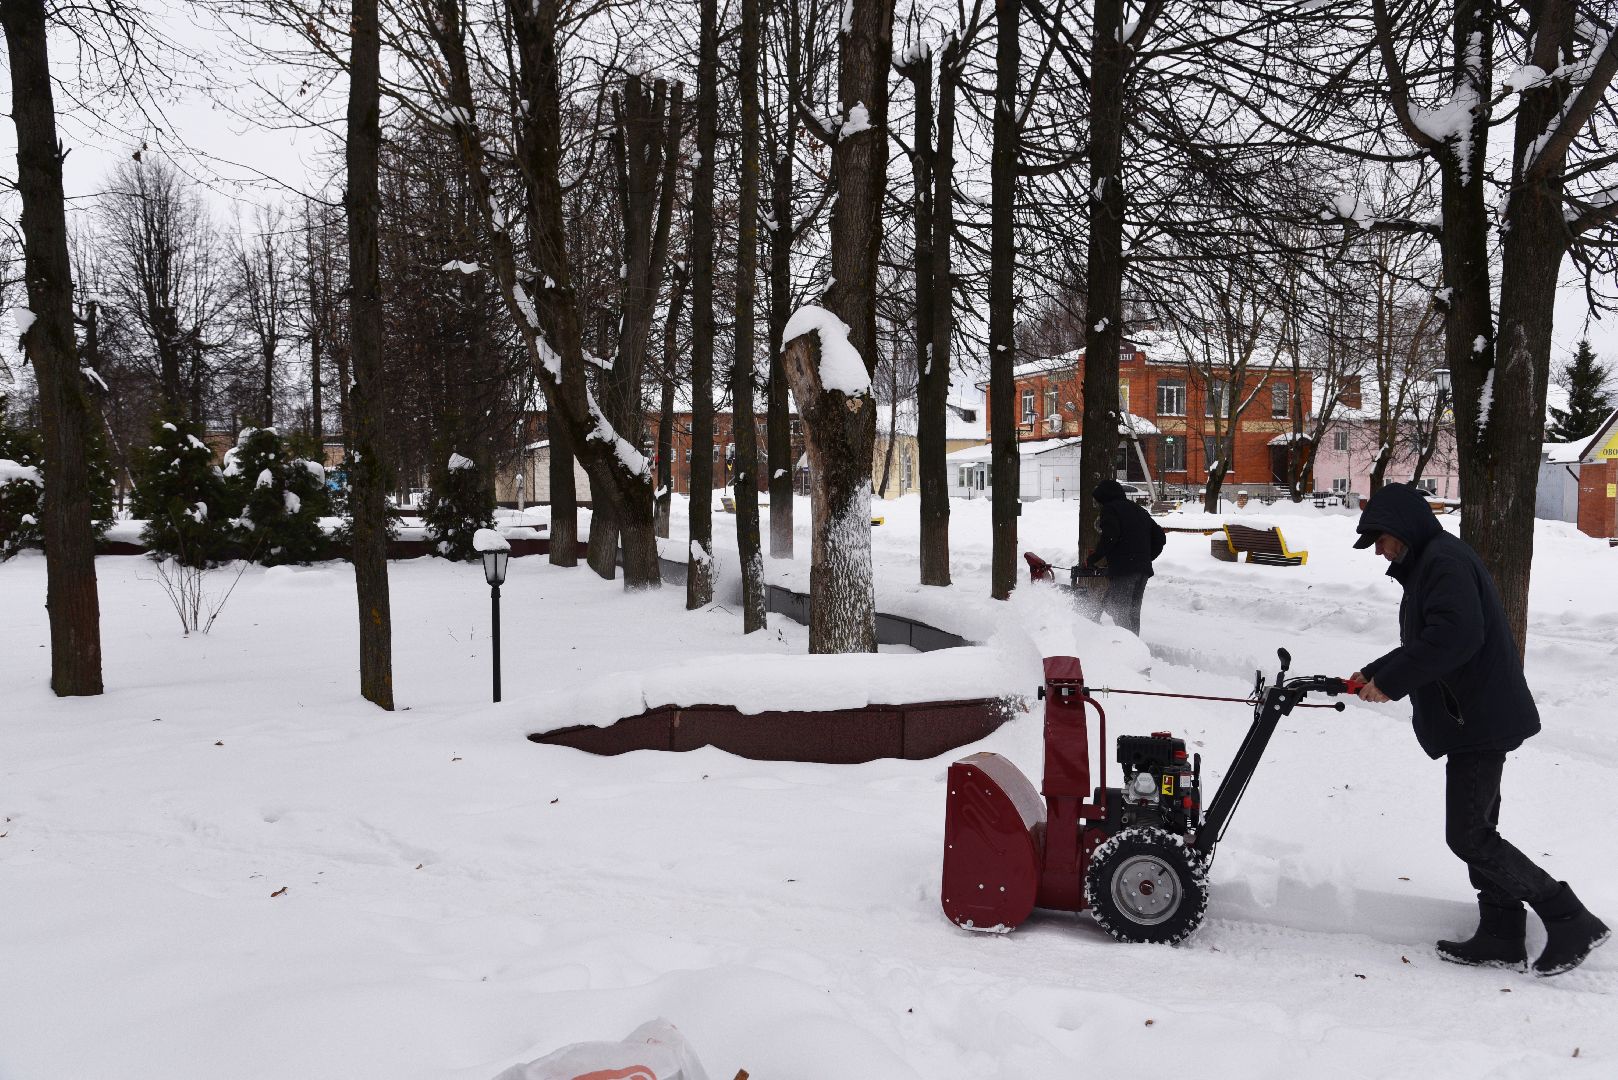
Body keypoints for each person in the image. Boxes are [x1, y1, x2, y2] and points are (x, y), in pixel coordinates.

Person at [1348, 483, 1609, 976]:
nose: (1378, 551)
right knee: (1477, 829)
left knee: (1468, 836)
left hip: (1479, 718)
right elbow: (1429, 639)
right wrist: (1374, 672)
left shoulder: (1443, 563)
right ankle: (1502, 933)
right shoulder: (1434, 561)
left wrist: (1393, 681)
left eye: (1379, 539)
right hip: (1477, 713)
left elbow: (1454, 638)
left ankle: (1569, 918)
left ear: (1402, 528)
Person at [1086, 480, 1166, 635]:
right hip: (1143, 571)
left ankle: (1126, 650)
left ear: (1105, 497)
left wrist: (1093, 558)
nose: (1099, 505)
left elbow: (1110, 537)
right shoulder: (1139, 510)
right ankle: (1135, 648)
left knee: (1119, 610)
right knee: (1133, 612)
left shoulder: (1110, 509)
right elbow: (1159, 537)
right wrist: (1145, 558)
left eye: (1099, 501)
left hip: (1125, 570)